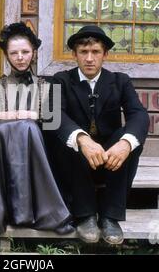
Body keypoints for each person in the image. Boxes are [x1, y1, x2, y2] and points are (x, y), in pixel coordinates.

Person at [49, 25, 149, 244]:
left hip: (111, 162)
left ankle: (110, 216)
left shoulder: (120, 81)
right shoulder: (60, 80)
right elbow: (51, 116)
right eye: (83, 52)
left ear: (105, 55)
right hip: (74, 164)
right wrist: (81, 139)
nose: (89, 58)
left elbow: (139, 115)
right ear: (74, 55)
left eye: (95, 52)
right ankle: (85, 215)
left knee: (131, 137)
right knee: (63, 136)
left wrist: (125, 143)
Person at [0, 22, 74, 235]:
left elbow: (53, 122)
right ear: (6, 55)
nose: (20, 57)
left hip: (39, 153)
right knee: (4, 129)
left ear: (34, 53)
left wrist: (26, 117)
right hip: (5, 154)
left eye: (25, 52)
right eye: (14, 52)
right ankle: (6, 210)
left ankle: (47, 212)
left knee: (29, 128)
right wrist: (26, 117)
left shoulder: (47, 84)